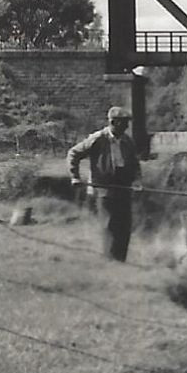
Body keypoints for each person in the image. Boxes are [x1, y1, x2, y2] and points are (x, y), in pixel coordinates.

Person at [67, 106, 142, 261]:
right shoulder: (98, 139)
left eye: (127, 122)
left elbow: (135, 163)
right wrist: (75, 176)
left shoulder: (127, 141)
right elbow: (73, 153)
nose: (127, 126)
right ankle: (110, 261)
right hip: (104, 188)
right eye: (124, 123)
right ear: (113, 122)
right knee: (110, 225)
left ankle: (120, 261)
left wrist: (137, 180)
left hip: (124, 187)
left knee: (124, 226)